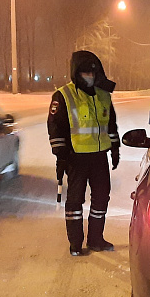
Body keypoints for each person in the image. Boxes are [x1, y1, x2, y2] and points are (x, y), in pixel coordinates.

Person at [48, 50, 120, 256]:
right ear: (76, 73)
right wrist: (60, 155)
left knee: (101, 198)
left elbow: (111, 124)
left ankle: (96, 239)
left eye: (92, 73)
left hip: (99, 157)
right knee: (75, 202)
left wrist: (115, 149)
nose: (89, 76)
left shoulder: (103, 94)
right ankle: (75, 243)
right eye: (85, 73)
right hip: (75, 158)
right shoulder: (63, 95)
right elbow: (55, 127)